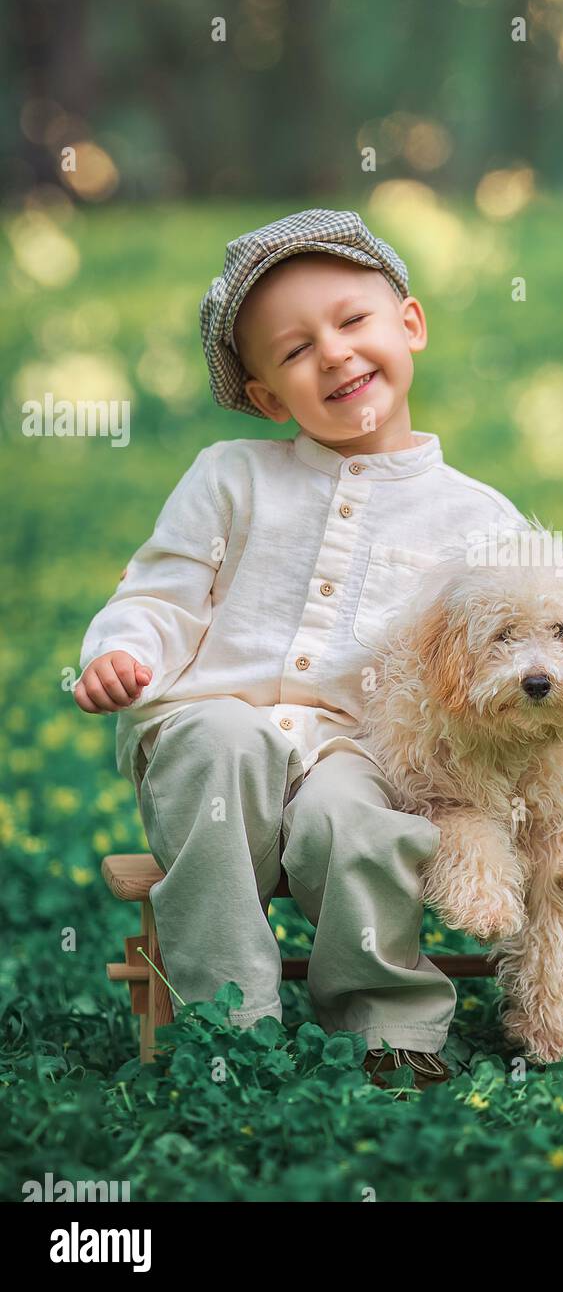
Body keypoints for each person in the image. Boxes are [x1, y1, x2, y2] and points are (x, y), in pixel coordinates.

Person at [73, 209, 528, 1091]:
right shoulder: (230, 476)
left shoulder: (478, 518)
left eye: (353, 321)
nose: (334, 353)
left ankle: (386, 1023)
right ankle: (230, 1020)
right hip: (208, 720)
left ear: (410, 324)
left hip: (354, 749)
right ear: (268, 397)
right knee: (224, 746)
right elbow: (161, 593)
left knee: (355, 821)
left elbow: (511, 655)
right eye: (293, 349)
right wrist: (123, 651)